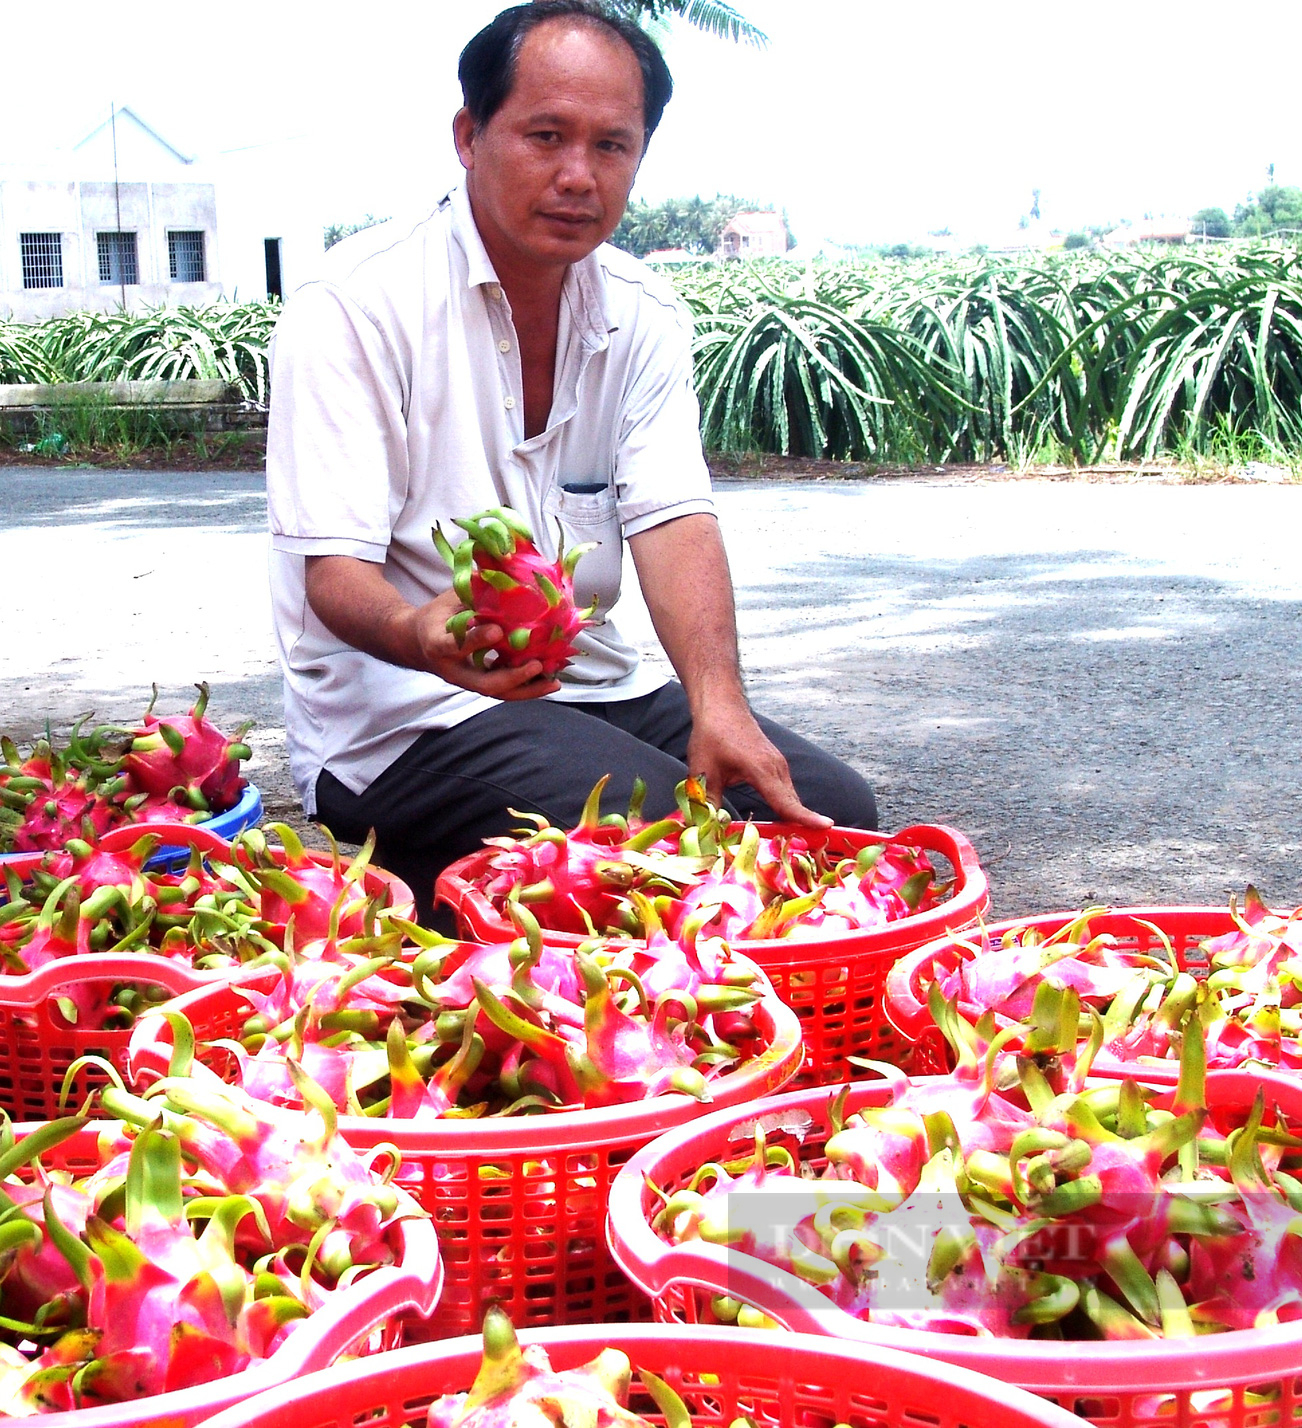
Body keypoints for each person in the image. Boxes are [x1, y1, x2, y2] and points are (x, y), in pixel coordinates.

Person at [265, 0, 876, 912]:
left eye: (611, 146)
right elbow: (333, 573)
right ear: (470, 136)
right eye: (545, 136)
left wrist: (720, 704)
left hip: (590, 685)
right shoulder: (354, 305)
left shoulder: (643, 313)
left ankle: (505, 904)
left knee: (831, 817)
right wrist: (420, 635)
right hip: (403, 718)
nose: (577, 176)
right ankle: (455, 911)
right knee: (670, 845)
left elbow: (674, 519)